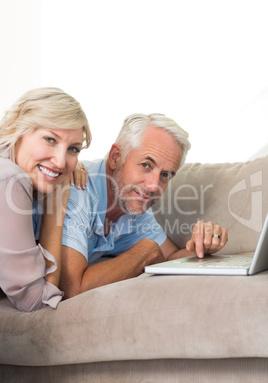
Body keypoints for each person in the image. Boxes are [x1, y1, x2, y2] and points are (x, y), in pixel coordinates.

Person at [58, 113, 228, 298]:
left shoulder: (133, 206)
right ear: (116, 157)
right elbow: (73, 290)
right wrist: (144, 251)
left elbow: (169, 258)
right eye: (146, 165)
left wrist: (201, 246)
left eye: (166, 175)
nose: (154, 186)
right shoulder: (77, 187)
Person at [0, 87, 91, 312]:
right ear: (15, 127)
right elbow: (37, 301)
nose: (60, 162)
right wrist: (56, 208)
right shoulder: (10, 178)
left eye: (73, 148)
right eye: (50, 139)